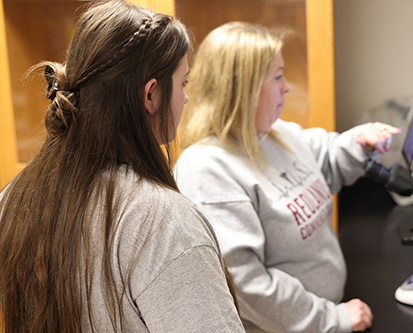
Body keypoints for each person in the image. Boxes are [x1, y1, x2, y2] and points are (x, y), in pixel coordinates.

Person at [0, 1, 244, 332]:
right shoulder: (162, 222)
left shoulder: (13, 197)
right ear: (151, 95)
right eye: (183, 83)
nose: (186, 98)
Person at [175, 21, 401, 332]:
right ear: (244, 89)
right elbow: (249, 285)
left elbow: (324, 159)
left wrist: (359, 141)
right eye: (278, 77)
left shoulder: (272, 133)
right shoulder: (207, 168)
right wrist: (331, 319)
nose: (287, 87)